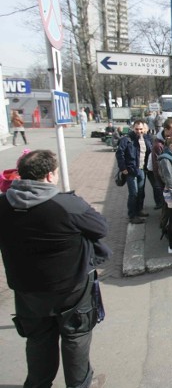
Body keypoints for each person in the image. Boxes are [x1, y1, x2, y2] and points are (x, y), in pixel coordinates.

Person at [0, 150, 110, 388]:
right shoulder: (66, 204)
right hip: (71, 288)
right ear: (50, 176)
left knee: (38, 340)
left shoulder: (3, 204)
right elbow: (100, 228)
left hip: (27, 289)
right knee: (76, 337)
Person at [116, 119, 152, 224]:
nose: (139, 131)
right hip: (131, 171)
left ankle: (139, 210)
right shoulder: (127, 139)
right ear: (133, 128)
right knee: (133, 193)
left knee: (141, 192)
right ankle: (132, 215)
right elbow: (119, 154)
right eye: (137, 129)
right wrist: (123, 168)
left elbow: (149, 152)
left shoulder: (146, 138)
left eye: (141, 129)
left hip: (142, 170)